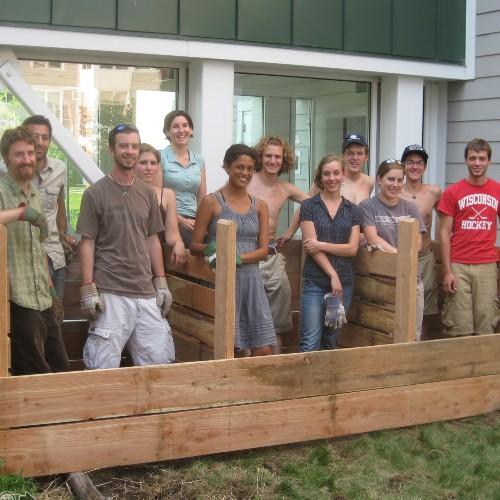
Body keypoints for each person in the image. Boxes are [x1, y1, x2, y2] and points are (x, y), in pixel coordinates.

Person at [77, 124, 175, 369]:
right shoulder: (95, 193)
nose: (130, 151)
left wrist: (160, 281)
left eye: (134, 146)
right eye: (123, 146)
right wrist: (88, 288)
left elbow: (153, 238)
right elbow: (87, 243)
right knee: (102, 367)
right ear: (111, 150)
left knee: (158, 362)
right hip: (111, 291)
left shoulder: (147, 193)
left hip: (145, 292)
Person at [191, 144, 276, 356]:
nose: (245, 173)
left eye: (250, 168)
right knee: (231, 348)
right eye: (239, 167)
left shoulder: (260, 206)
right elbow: (194, 245)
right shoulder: (211, 202)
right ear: (227, 167)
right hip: (223, 282)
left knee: (263, 349)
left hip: (252, 283)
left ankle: (254, 390)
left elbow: (264, 250)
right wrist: (216, 252)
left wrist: (235, 258)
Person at [0, 126, 69, 375]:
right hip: (16, 299)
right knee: (34, 373)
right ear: (6, 158)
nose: (27, 159)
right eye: (19, 154)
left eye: (30, 153)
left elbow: (39, 248)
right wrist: (20, 213)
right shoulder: (1, 189)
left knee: (61, 366)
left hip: (42, 296)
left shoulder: (35, 194)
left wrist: (51, 289)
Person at [247, 135, 308, 353]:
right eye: (268, 156)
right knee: (247, 325)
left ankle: (276, 374)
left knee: (276, 326)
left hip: (272, 257)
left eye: (278, 157)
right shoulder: (247, 180)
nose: (273, 161)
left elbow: (312, 203)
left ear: (284, 160)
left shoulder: (285, 188)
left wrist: (291, 230)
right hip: (246, 257)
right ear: (260, 158)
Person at [438, 138, 499, 336]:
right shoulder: (453, 192)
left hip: (487, 264)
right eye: (473, 158)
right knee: (459, 324)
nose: (477, 163)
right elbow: (444, 233)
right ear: (466, 161)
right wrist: (447, 271)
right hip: (459, 264)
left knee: (486, 321)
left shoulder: (497, 191)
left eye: (482, 158)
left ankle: (486, 368)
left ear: (489, 161)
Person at [299, 154, 361, 351]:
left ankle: (326, 382)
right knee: (310, 341)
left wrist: (321, 244)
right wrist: (332, 274)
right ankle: (306, 382)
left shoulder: (353, 210)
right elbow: (310, 247)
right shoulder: (309, 206)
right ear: (321, 177)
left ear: (343, 174)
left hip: (343, 286)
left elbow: (352, 249)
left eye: (336, 173)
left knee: (331, 340)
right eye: (326, 174)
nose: (331, 178)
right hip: (315, 282)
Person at [359, 159, 426, 341]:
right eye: (390, 179)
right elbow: (373, 238)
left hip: (412, 279)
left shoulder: (410, 208)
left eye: (399, 180)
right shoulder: (368, 207)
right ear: (379, 179)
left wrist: (402, 257)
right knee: (384, 334)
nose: (395, 184)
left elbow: (417, 243)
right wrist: (401, 255)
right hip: (381, 282)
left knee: (412, 334)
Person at [22, 115, 77, 301]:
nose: (39, 142)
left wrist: (64, 233)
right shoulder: (6, 172)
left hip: (54, 256)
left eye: (44, 137)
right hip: (23, 261)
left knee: (55, 319)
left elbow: (59, 205)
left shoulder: (59, 168)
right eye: (33, 136)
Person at [399, 144, 441, 338]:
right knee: (400, 302)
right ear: (404, 166)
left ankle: (420, 346)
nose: (415, 167)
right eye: (410, 162)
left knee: (424, 308)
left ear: (424, 167)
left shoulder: (434, 192)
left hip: (424, 256)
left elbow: (445, 219)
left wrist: (439, 244)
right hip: (400, 256)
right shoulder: (394, 191)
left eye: (419, 163)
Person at [159, 110, 207, 247]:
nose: (181, 130)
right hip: (169, 219)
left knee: (216, 240)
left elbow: (202, 198)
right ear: (167, 132)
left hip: (193, 220)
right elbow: (156, 196)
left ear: (191, 130)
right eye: (175, 126)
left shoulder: (199, 160)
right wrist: (180, 220)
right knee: (195, 246)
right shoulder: (160, 157)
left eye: (185, 126)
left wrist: (202, 223)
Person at [135, 143, 185, 267]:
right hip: (129, 261)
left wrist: (179, 243)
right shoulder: (124, 193)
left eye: (153, 163)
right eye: (143, 163)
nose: (149, 167)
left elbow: (172, 234)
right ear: (133, 164)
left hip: (156, 262)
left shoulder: (167, 195)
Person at [340, 132, 374, 203]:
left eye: (359, 153)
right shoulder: (333, 180)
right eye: (350, 153)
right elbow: (310, 198)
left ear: (366, 157)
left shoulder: (369, 182)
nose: (355, 158)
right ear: (343, 156)